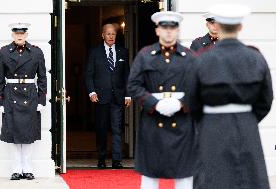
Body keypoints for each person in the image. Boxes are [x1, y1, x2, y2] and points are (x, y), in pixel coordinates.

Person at [188, 4, 273, 189]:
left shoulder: (202, 59)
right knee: (247, 179)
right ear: (240, 27)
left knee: (211, 179)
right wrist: (247, 119)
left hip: (211, 126)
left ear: (218, 25)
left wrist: (206, 121)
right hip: (245, 126)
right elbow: (266, 99)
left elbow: (192, 100)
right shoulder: (255, 57)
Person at [127, 11, 196, 189]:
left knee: (185, 175)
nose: (168, 32)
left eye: (172, 28)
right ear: (157, 30)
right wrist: (154, 103)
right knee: (150, 175)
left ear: (178, 30)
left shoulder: (189, 57)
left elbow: (200, 87)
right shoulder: (145, 55)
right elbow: (133, 86)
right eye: (164, 27)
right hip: (153, 122)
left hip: (181, 123)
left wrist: (181, 103)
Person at [0, 23, 47, 180]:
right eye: (16, 33)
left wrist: (41, 99)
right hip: (11, 95)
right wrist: (0, 101)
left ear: (26, 35)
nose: (19, 36)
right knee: (14, 134)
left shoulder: (36, 52)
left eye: (22, 33)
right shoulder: (4, 52)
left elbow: (43, 77)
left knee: (28, 133)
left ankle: (28, 168)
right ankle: (16, 169)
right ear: (12, 35)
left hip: (30, 95)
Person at [85, 23, 131, 169]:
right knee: (102, 128)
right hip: (100, 97)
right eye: (108, 34)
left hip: (118, 97)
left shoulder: (123, 51)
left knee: (117, 128)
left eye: (114, 34)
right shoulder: (94, 52)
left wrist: (128, 94)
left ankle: (117, 160)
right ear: (103, 35)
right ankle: (102, 158)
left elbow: (127, 75)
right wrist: (91, 92)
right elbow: (89, 75)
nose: (111, 36)